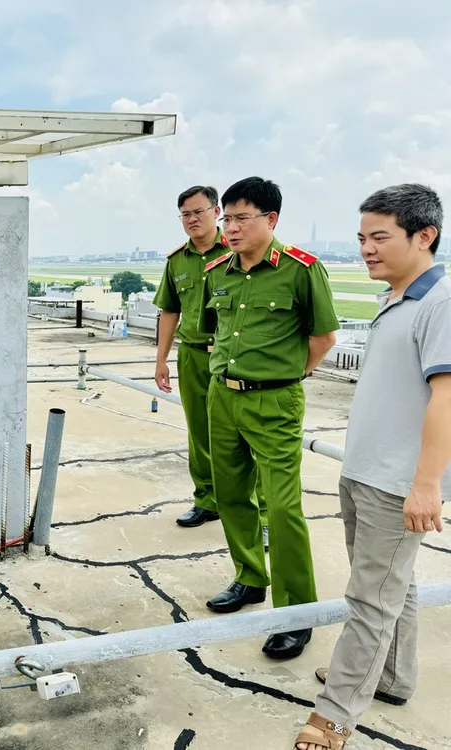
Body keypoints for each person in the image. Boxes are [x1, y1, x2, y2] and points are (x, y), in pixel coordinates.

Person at [295, 184, 451, 750]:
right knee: (392, 587)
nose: (366, 248)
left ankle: (335, 715)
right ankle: (389, 675)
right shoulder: (395, 298)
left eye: (380, 237)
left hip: (396, 481)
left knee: (370, 600)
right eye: (362, 237)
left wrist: (427, 484)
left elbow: (447, 398)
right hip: (365, 470)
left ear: (424, 235)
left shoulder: (441, 302)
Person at [199, 176, 339, 659]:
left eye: (241, 219)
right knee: (233, 494)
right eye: (227, 219)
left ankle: (297, 614)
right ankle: (249, 577)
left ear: (271, 219)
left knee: (281, 508)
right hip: (223, 397)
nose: (231, 228)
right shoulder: (216, 270)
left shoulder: (301, 269)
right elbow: (211, 333)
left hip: (275, 402)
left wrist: (280, 378)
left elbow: (323, 340)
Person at [154, 186, 268, 545]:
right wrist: (161, 359)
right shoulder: (177, 261)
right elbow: (169, 310)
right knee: (199, 432)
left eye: (198, 212)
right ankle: (207, 500)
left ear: (216, 212)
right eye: (185, 214)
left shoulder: (237, 251)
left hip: (234, 359)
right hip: (192, 354)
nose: (192, 219)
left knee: (248, 437)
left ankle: (263, 514)